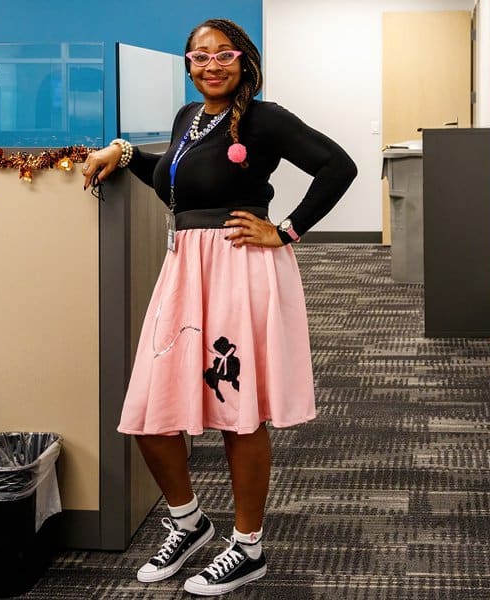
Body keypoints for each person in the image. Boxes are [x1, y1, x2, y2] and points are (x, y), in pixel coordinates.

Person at [82, 18, 356, 596]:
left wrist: (286, 230)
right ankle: (189, 522)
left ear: (244, 60)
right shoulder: (189, 117)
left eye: (224, 54)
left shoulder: (264, 118)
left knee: (238, 412)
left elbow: (339, 167)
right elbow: (174, 183)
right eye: (200, 56)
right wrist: (123, 151)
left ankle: (248, 547)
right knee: (148, 411)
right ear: (188, 65)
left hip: (239, 268)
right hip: (186, 270)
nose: (212, 64)